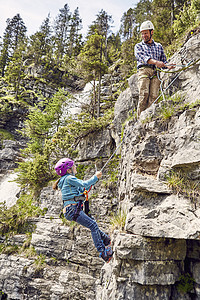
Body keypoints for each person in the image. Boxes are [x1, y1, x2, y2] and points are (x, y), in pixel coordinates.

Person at [53, 157, 113, 263]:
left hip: (70, 210)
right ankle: (103, 253)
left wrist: (89, 185)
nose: (75, 167)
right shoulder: (69, 178)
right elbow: (84, 184)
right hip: (72, 209)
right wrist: (96, 177)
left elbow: (81, 188)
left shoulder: (65, 180)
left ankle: (105, 239)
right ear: (69, 170)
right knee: (93, 225)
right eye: (73, 166)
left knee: (92, 224)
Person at [134, 20, 175, 118]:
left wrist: (167, 66)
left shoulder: (159, 46)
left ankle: (149, 119)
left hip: (156, 72)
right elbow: (142, 58)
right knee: (144, 95)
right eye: (142, 34)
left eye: (146, 33)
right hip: (144, 70)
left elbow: (163, 61)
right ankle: (140, 120)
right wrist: (156, 62)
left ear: (151, 32)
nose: (144, 35)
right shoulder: (138, 46)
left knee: (154, 97)